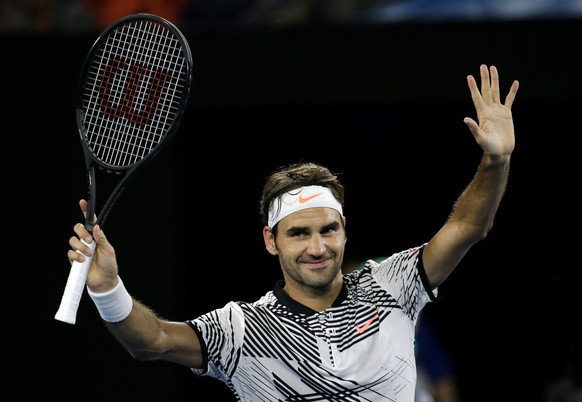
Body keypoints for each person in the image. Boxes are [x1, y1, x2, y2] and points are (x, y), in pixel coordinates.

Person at [66, 64, 519, 401]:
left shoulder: (393, 284)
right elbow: (154, 342)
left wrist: (495, 161)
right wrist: (108, 288)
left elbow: (468, 225)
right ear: (270, 241)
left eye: (328, 230)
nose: (318, 247)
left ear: (345, 230)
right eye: (299, 233)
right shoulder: (242, 329)